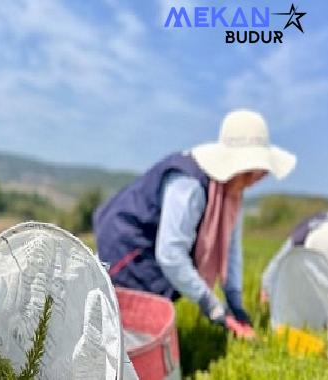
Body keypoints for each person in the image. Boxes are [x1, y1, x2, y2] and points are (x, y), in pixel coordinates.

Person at [93, 109, 296, 337]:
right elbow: (170, 253)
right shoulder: (189, 185)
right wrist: (212, 306)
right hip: (129, 245)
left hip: (156, 250)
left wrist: (235, 303)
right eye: (259, 170)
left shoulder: (232, 193)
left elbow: (232, 250)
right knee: (127, 321)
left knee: (147, 321)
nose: (262, 177)